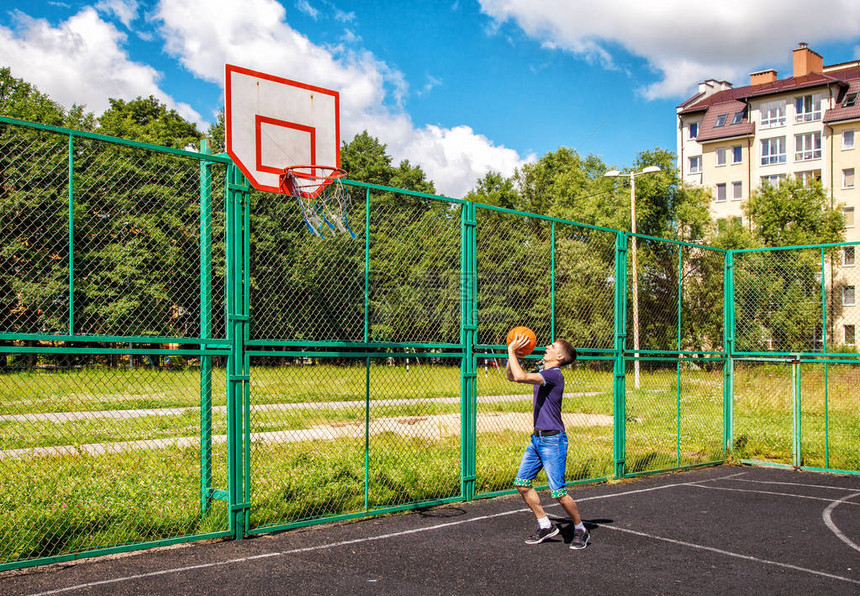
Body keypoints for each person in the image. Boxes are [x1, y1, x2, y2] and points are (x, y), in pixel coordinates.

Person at [506, 334, 590, 549]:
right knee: (522, 484)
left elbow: (520, 377)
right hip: (537, 439)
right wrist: (513, 355)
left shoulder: (554, 375)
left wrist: (511, 352)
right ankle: (545, 525)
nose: (546, 347)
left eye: (551, 347)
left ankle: (580, 529)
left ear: (559, 356)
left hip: (554, 441)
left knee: (559, 493)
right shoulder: (543, 372)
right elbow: (512, 376)